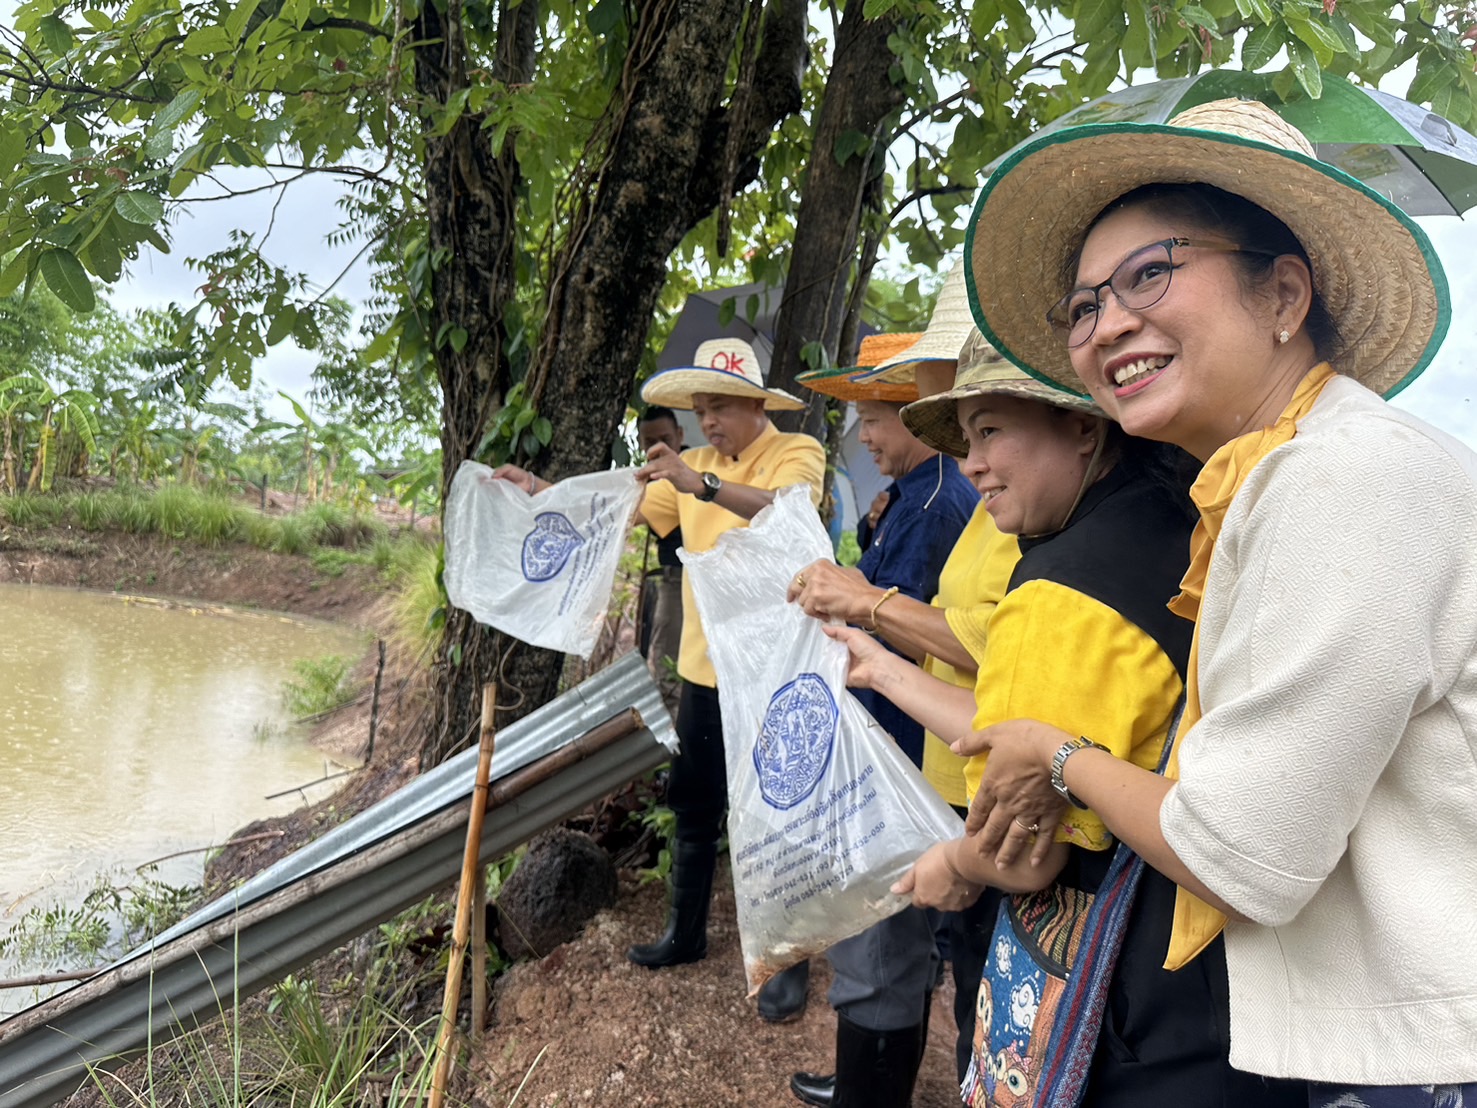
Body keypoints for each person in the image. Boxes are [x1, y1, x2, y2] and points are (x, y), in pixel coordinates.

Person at [957, 98, 1477, 1104]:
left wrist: (1058, 757)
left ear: (1282, 292)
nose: (1107, 322)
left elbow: (1238, 849)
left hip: (1403, 1062)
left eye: (1150, 272)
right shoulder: (1247, 491)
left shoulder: (1343, 477)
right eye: (1082, 305)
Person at [824, 329, 1304, 1105]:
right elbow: (1019, 723)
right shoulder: (1177, 521)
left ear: (1083, 426)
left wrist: (950, 866)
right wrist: (880, 665)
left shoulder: (1054, 594)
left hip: (1124, 981)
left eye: (990, 432)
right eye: (967, 439)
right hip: (1225, 973)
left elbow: (1024, 854)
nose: (972, 462)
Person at [494, 338, 825, 1023]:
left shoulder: (796, 454)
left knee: (780, 809)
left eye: (720, 407)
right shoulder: (691, 464)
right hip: (705, 666)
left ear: (755, 403)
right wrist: (539, 491)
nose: (708, 423)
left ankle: (789, 959)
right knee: (695, 803)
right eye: (700, 409)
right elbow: (617, 508)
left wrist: (697, 484)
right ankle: (685, 933)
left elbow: (785, 517)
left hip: (773, 668)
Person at [781, 329, 977, 1108]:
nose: (864, 436)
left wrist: (858, 600)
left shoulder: (936, 504)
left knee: (884, 924)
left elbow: (921, 623)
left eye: (878, 416)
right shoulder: (910, 499)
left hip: (905, 744)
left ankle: (872, 1087)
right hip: (900, 734)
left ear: (922, 416)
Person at [636, 405, 685, 715]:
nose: (656, 449)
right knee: (668, 668)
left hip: (690, 579)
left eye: (664, 439)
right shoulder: (651, 479)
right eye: (649, 442)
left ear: (680, 436)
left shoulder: (696, 471)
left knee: (675, 673)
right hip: (671, 579)